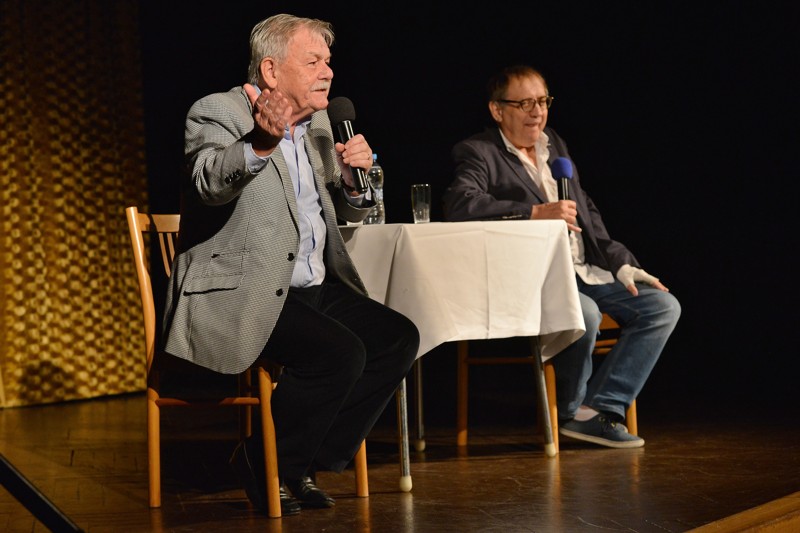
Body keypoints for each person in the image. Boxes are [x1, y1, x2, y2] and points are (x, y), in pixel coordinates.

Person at [161, 14, 419, 515]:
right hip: (246, 288)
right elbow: (207, 182)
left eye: (329, 61)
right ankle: (275, 464)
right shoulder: (217, 111)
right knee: (340, 354)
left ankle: (290, 461)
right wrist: (260, 143)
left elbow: (346, 214)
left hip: (312, 285)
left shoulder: (319, 126)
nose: (328, 71)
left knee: (397, 339)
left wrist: (352, 182)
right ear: (271, 70)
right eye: (314, 61)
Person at [442, 65, 680, 449]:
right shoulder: (479, 152)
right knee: (584, 314)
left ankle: (600, 407)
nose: (537, 111)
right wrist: (534, 212)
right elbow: (461, 205)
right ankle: (569, 412)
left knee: (663, 307)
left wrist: (621, 262)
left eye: (542, 101)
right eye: (524, 103)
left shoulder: (555, 145)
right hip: (534, 278)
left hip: (584, 271)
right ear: (497, 110)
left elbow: (586, 213)